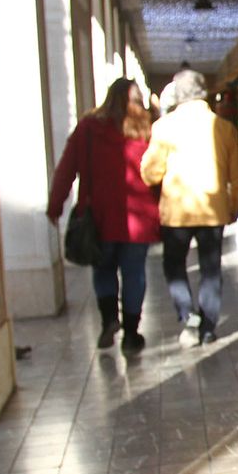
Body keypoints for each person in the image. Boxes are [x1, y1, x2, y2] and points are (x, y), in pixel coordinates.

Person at [48, 78, 161, 353]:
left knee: (103, 269)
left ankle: (110, 319)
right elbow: (160, 172)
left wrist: (55, 205)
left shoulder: (87, 128)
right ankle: (132, 334)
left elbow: (66, 169)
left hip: (98, 217)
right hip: (138, 220)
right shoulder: (146, 130)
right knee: (134, 274)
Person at [141, 68, 238, 347]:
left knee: (174, 266)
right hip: (213, 210)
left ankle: (188, 315)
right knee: (211, 269)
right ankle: (209, 327)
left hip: (176, 212)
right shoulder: (224, 127)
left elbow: (150, 173)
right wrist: (235, 204)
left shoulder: (164, 127)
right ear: (204, 92)